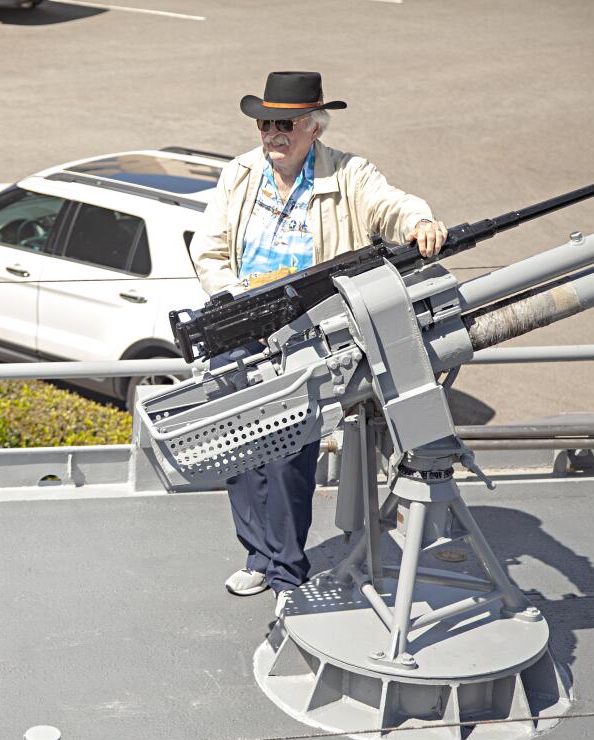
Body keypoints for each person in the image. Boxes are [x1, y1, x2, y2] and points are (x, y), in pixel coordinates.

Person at [190, 71, 447, 615]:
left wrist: (420, 221)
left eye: (285, 123)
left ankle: (286, 569)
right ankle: (258, 557)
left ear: (313, 126)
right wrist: (233, 296)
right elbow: (208, 249)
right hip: (240, 323)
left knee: (288, 456)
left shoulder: (349, 174)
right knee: (240, 450)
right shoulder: (240, 174)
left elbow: (390, 206)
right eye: (265, 123)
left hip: (307, 333)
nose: (272, 134)